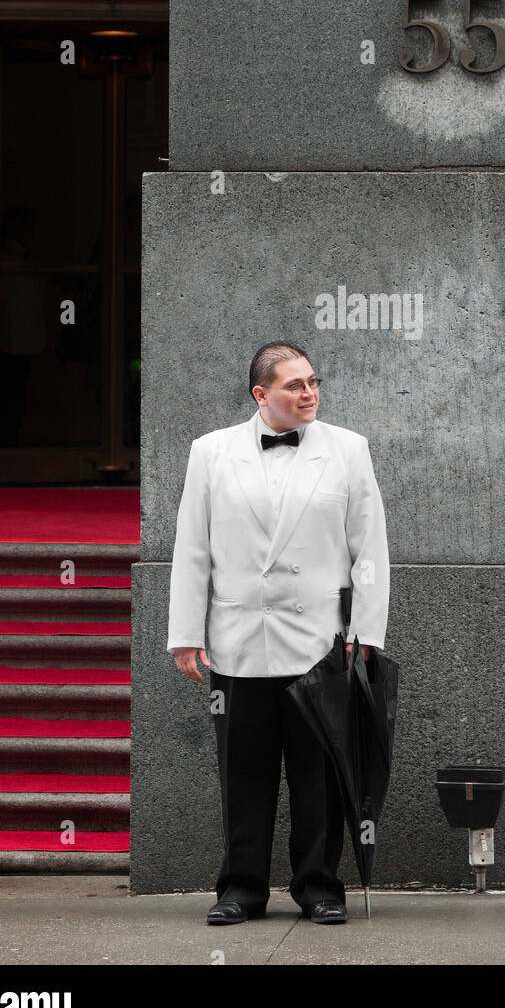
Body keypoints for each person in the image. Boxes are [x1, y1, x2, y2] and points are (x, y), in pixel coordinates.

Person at [167, 341, 390, 925]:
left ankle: (319, 885)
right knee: (243, 773)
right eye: (295, 385)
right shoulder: (210, 452)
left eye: (313, 381)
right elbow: (193, 548)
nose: (310, 392)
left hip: (320, 643)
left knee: (317, 775)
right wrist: (186, 631)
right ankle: (241, 888)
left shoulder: (348, 450)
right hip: (238, 640)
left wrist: (366, 630)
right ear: (261, 395)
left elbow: (369, 548)